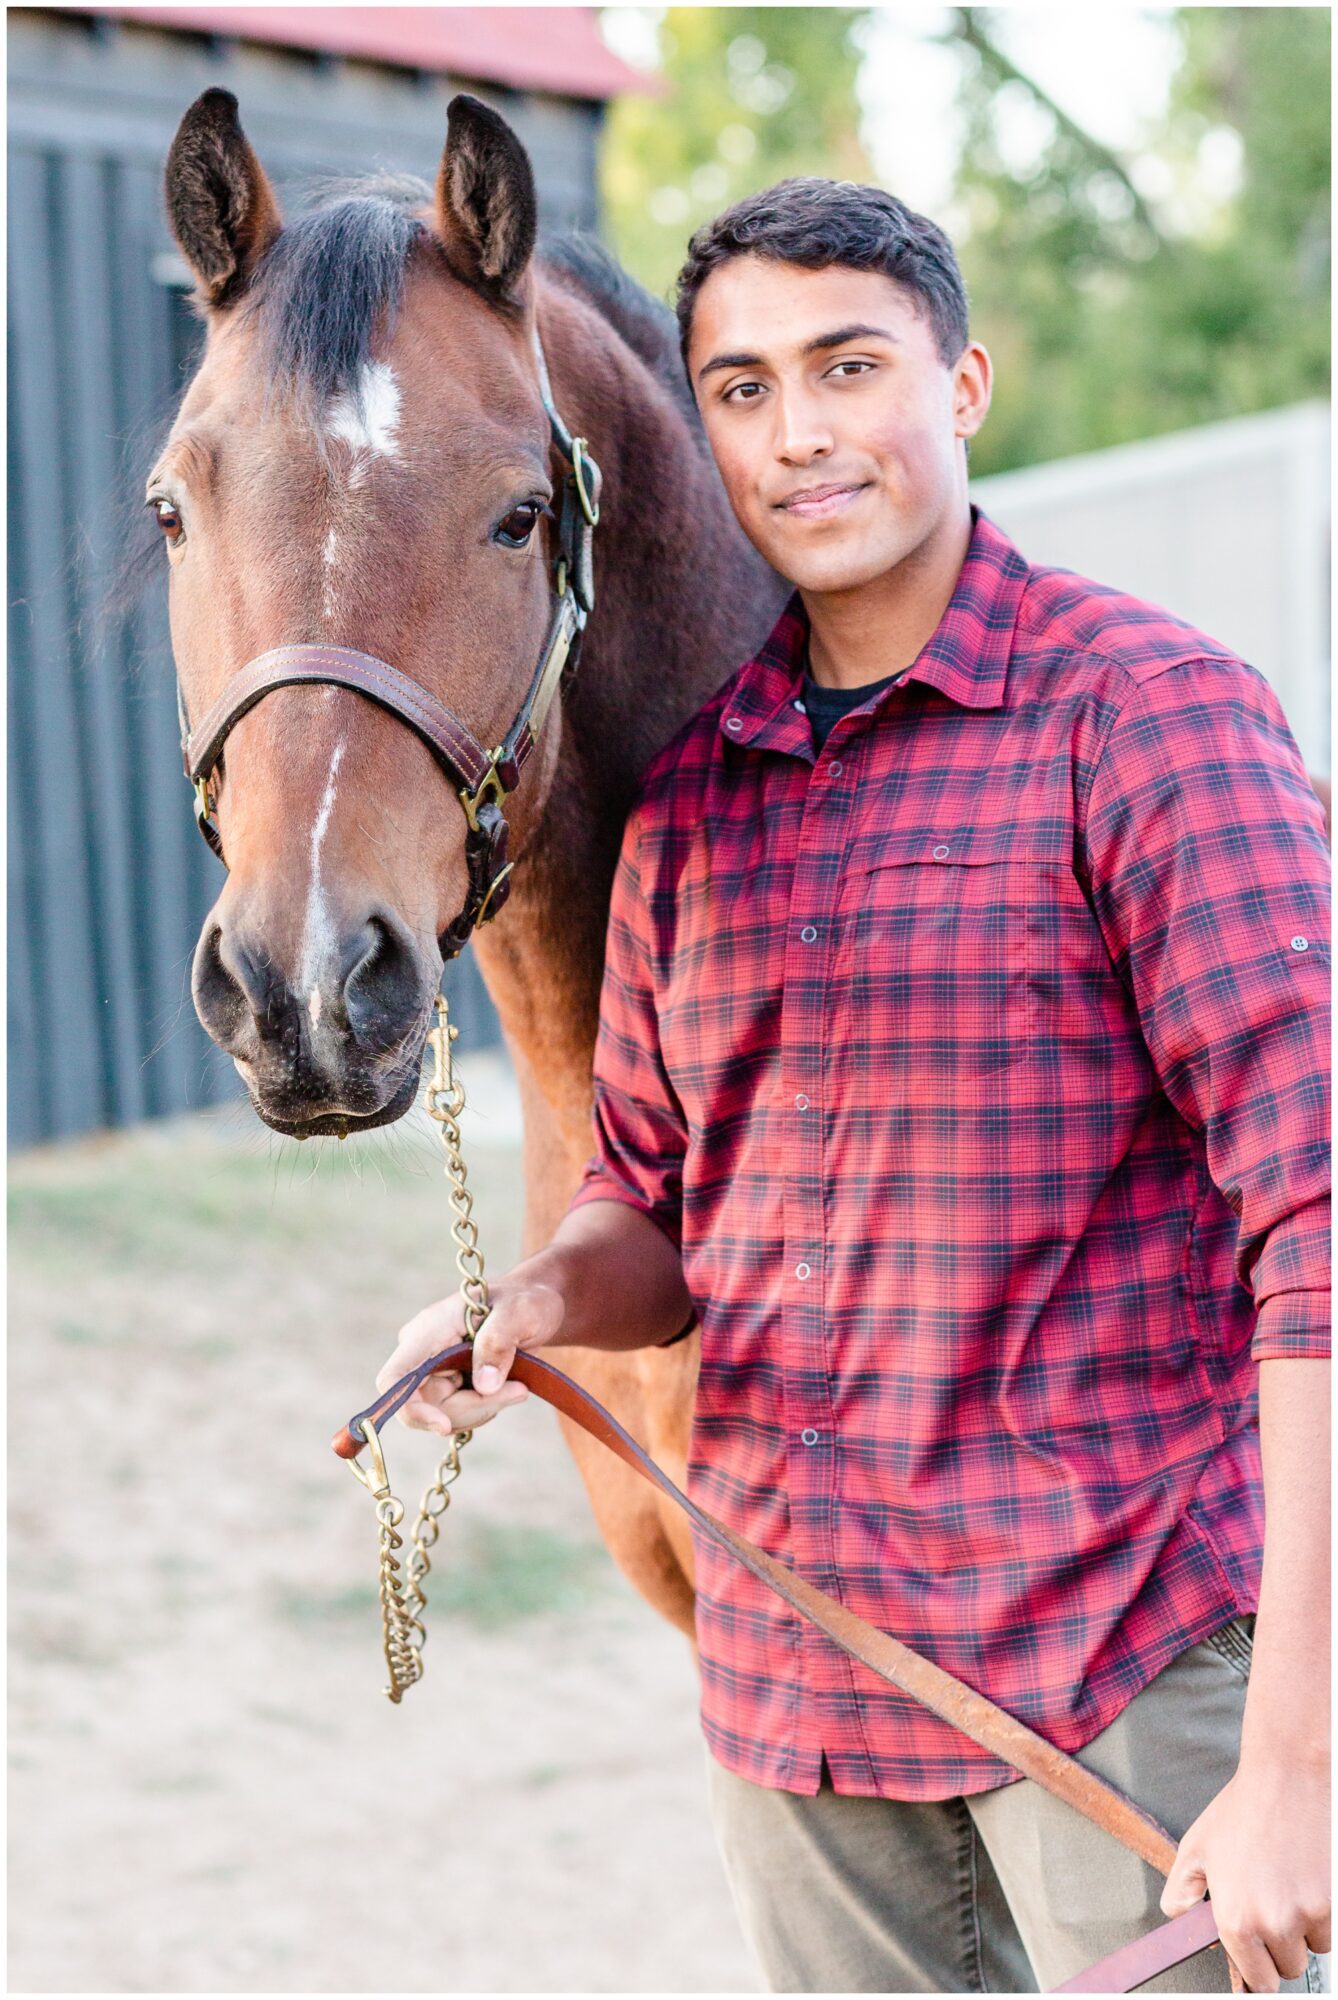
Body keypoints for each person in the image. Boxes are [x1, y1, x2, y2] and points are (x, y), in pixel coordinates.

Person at [377, 180, 1330, 1994]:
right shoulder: (698, 808)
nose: (796, 436)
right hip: (802, 1706)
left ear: (962, 384)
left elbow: (1319, 1226)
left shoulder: (1145, 718)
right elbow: (652, 1213)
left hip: (1120, 1685)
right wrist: (530, 1306)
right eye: (738, 389)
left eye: (846, 367)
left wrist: (1295, 1762)